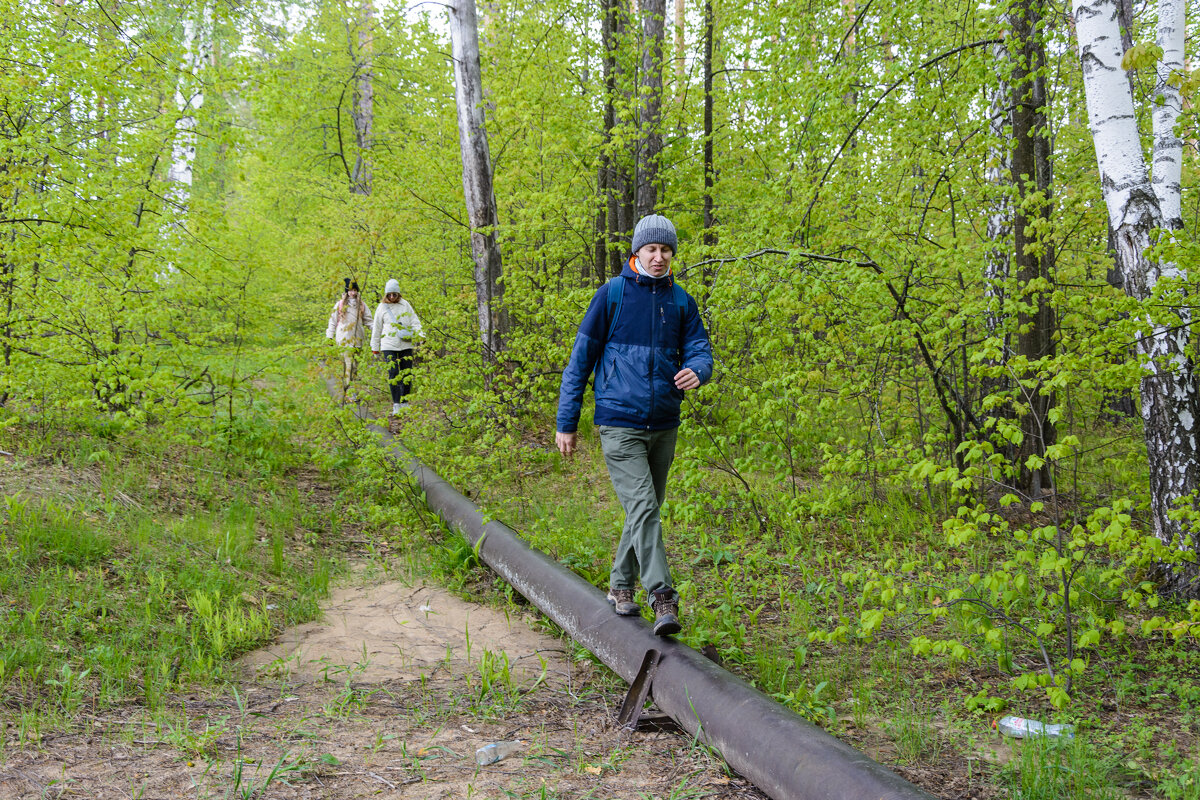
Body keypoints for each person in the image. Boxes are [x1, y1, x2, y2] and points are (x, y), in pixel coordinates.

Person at [555, 214, 714, 636]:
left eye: (666, 250)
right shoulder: (612, 295)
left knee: (644, 510)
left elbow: (699, 347)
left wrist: (698, 369)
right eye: (652, 249)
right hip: (619, 421)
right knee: (644, 507)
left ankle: (620, 585)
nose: (659, 257)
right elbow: (580, 361)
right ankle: (662, 594)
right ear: (636, 253)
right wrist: (566, 423)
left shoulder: (681, 301)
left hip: (664, 421)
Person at [371, 278, 424, 415]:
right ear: (386, 294)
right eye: (389, 294)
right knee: (393, 374)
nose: (392, 297)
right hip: (388, 345)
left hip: (406, 344)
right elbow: (376, 328)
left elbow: (415, 321)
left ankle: (405, 402)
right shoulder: (381, 307)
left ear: (398, 293)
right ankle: (396, 404)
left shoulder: (405, 305)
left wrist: (420, 335)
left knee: (407, 373)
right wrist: (374, 347)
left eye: (394, 294)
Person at [325, 278, 372, 402]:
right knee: (349, 366)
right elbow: (333, 321)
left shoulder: (362, 304)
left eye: (354, 290)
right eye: (350, 290)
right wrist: (329, 336)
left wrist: (378, 332)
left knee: (355, 368)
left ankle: (351, 390)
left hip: (358, 339)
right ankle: (350, 393)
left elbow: (368, 321)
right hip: (344, 339)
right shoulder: (340, 304)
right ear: (347, 291)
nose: (352, 293)